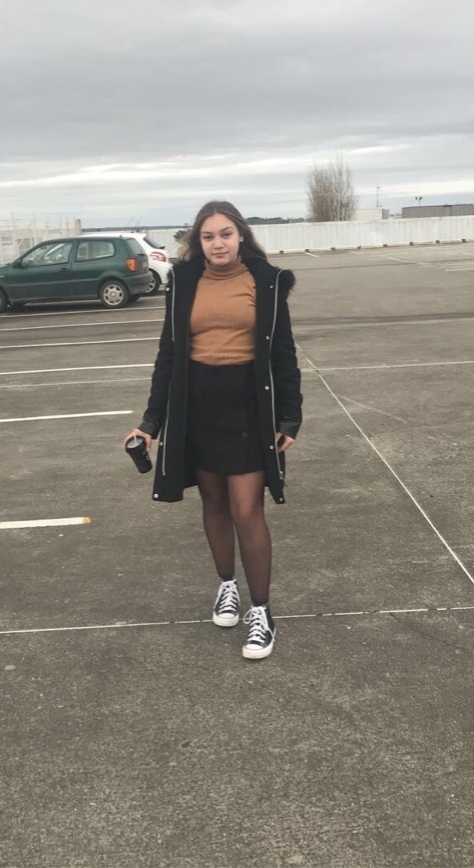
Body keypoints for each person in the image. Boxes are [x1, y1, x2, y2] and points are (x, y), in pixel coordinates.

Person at [124, 201, 302, 660]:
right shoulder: (183, 282)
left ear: (241, 235)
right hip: (198, 408)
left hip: (249, 409)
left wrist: (290, 417)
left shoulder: (267, 281)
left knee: (247, 510)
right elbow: (168, 353)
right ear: (197, 241)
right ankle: (227, 586)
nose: (217, 243)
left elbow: (283, 352)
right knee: (215, 504)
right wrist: (150, 422)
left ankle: (261, 612)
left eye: (225, 234)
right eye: (208, 236)